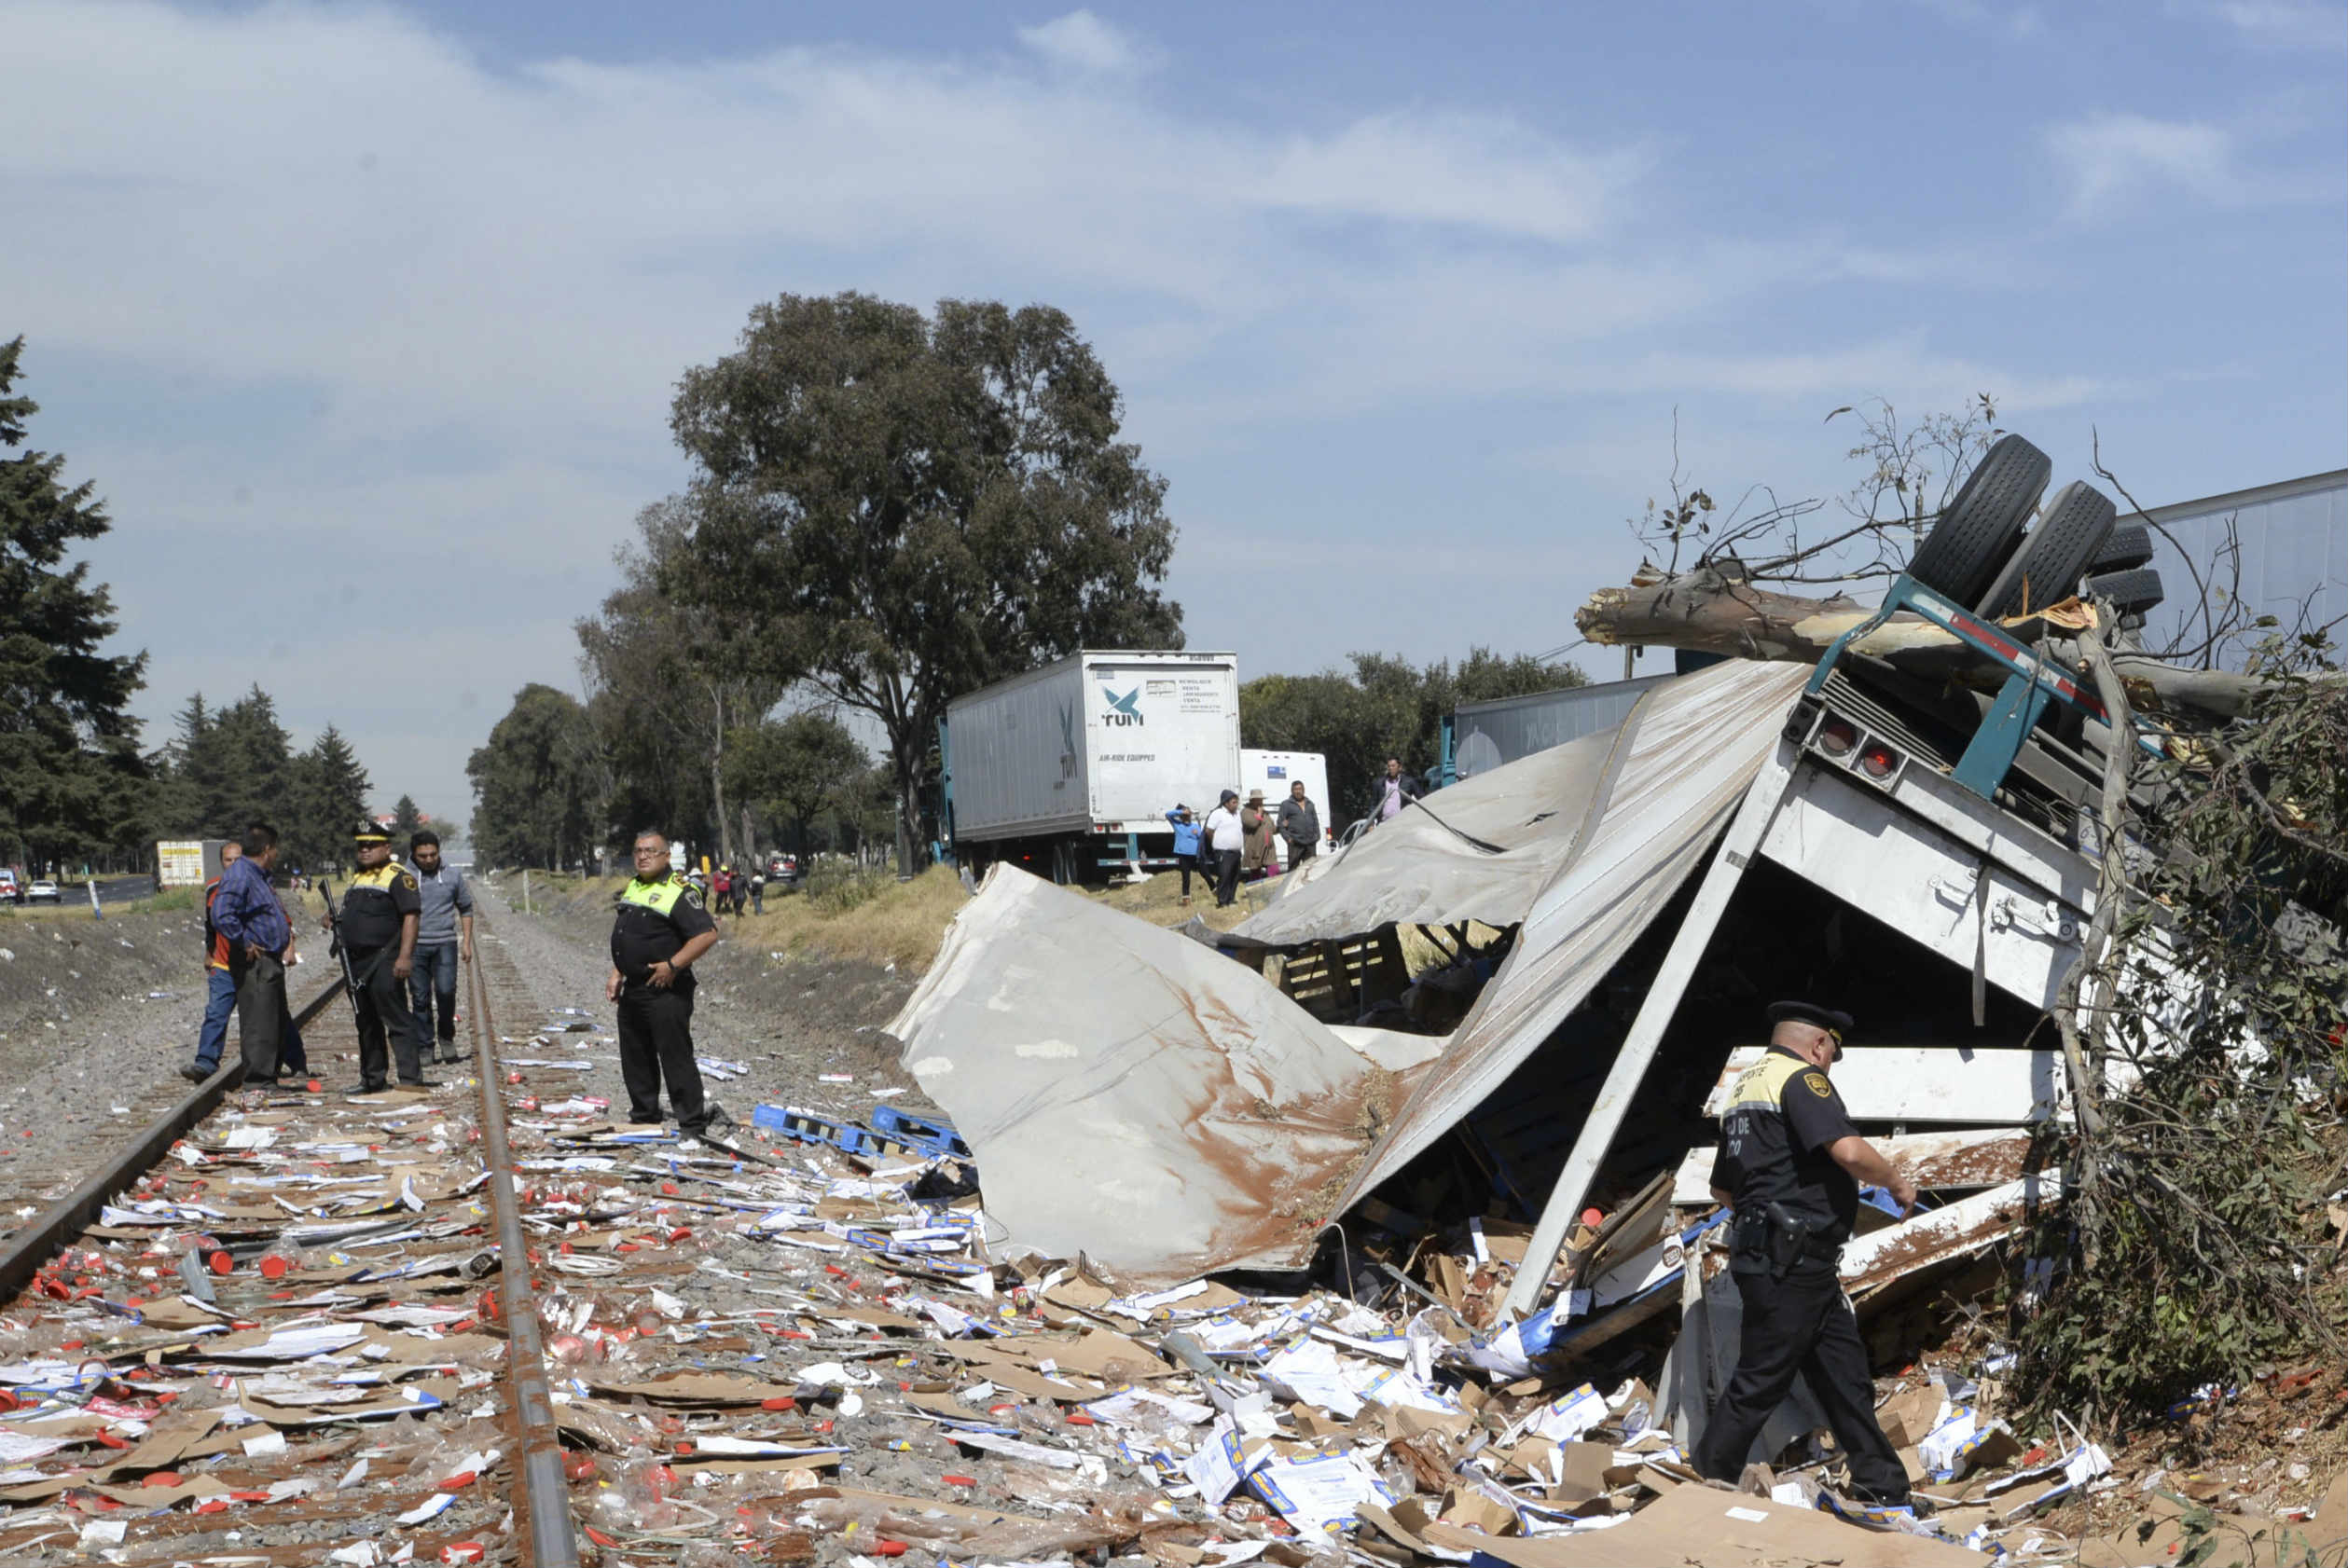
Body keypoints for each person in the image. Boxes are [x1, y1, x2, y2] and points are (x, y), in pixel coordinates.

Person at [1692, 1001, 1917, 1507]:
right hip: (1791, 1260)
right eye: (1832, 1054)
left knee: (1844, 1375)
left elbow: (1723, 1190)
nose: (1830, 1064)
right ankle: (1707, 1480)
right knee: (1761, 1379)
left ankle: (1882, 1486)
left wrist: (1773, 1207)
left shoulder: (1744, 1089)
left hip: (1788, 1260)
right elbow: (1850, 1151)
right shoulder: (1801, 1080)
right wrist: (1897, 1182)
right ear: (1820, 1044)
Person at [606, 829, 726, 1137]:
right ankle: (645, 1116)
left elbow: (707, 934)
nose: (643, 856)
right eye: (638, 851)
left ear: (666, 856)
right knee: (636, 1056)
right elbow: (628, 935)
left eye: (650, 851)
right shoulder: (634, 886)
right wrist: (617, 972)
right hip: (633, 987)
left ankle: (691, 1124)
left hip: (666, 990)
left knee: (675, 1057)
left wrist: (674, 965)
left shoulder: (680, 890)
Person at [325, 820, 425, 1092]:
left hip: (384, 960)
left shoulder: (398, 876)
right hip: (356, 962)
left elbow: (411, 917)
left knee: (396, 1019)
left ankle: (410, 1080)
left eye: (371, 845)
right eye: (361, 846)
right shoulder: (358, 878)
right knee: (365, 1020)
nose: (365, 850)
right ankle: (372, 1079)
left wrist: (405, 957)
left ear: (386, 847)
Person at [213, 824, 297, 1087]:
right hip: (254, 962)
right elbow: (221, 913)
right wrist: (245, 941)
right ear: (266, 849)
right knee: (260, 1022)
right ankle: (258, 1081)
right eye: (275, 848)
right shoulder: (241, 875)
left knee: (273, 1020)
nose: (277, 853)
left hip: (269, 959)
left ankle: (268, 1075)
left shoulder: (259, 875)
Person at [407, 831, 474, 1066]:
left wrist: (466, 942)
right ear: (413, 855)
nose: (428, 859)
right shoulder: (403, 876)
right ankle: (425, 1046)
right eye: (422, 855)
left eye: (433, 854)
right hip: (414, 946)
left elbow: (465, 908)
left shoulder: (453, 875)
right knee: (420, 998)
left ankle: (446, 1036)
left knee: (446, 992)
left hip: (445, 943)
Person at [1202, 790, 1245, 908]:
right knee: (1224, 876)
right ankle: (1222, 901)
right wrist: (1216, 843)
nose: (1236, 804)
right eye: (1233, 802)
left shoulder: (1238, 814)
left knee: (1235, 876)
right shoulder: (1217, 813)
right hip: (1223, 852)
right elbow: (1209, 831)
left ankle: (1231, 899)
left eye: (1237, 802)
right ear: (1226, 803)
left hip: (1236, 852)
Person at [1277, 780, 1321, 873]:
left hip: (1310, 843)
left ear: (1303, 790)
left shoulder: (1310, 803)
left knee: (1311, 870)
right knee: (1293, 871)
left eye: (1300, 789)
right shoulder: (1286, 804)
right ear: (1292, 791)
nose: (1298, 791)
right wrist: (1288, 839)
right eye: (1295, 789)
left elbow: (1315, 820)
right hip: (1295, 843)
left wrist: (1317, 835)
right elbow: (1280, 824)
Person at [1164, 805, 1202, 905]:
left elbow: (1201, 837)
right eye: (1184, 816)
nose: (1186, 818)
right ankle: (1186, 898)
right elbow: (1167, 815)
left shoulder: (1195, 826)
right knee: (1186, 877)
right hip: (1183, 854)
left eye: (1188, 816)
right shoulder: (1177, 825)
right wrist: (1181, 812)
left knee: (1204, 872)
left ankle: (1214, 889)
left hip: (1195, 854)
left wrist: (1197, 833)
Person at [1367, 758, 1421, 828]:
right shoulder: (1379, 783)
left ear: (1400, 767)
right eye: (1389, 766)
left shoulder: (1409, 782)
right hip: (1383, 824)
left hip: (1403, 824)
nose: (1390, 768)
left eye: (1393, 766)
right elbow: (1373, 805)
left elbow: (1423, 799)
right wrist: (1370, 824)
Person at [1240, 790, 1275, 880]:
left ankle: (1273, 892)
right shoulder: (1245, 812)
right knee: (1256, 874)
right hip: (1255, 848)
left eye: (1261, 800)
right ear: (1251, 801)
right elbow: (1252, 824)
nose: (1260, 802)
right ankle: (1256, 892)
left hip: (1269, 849)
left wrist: (1282, 826)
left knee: (1274, 871)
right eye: (1257, 800)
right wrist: (1259, 814)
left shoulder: (1266, 813)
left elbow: (1272, 828)